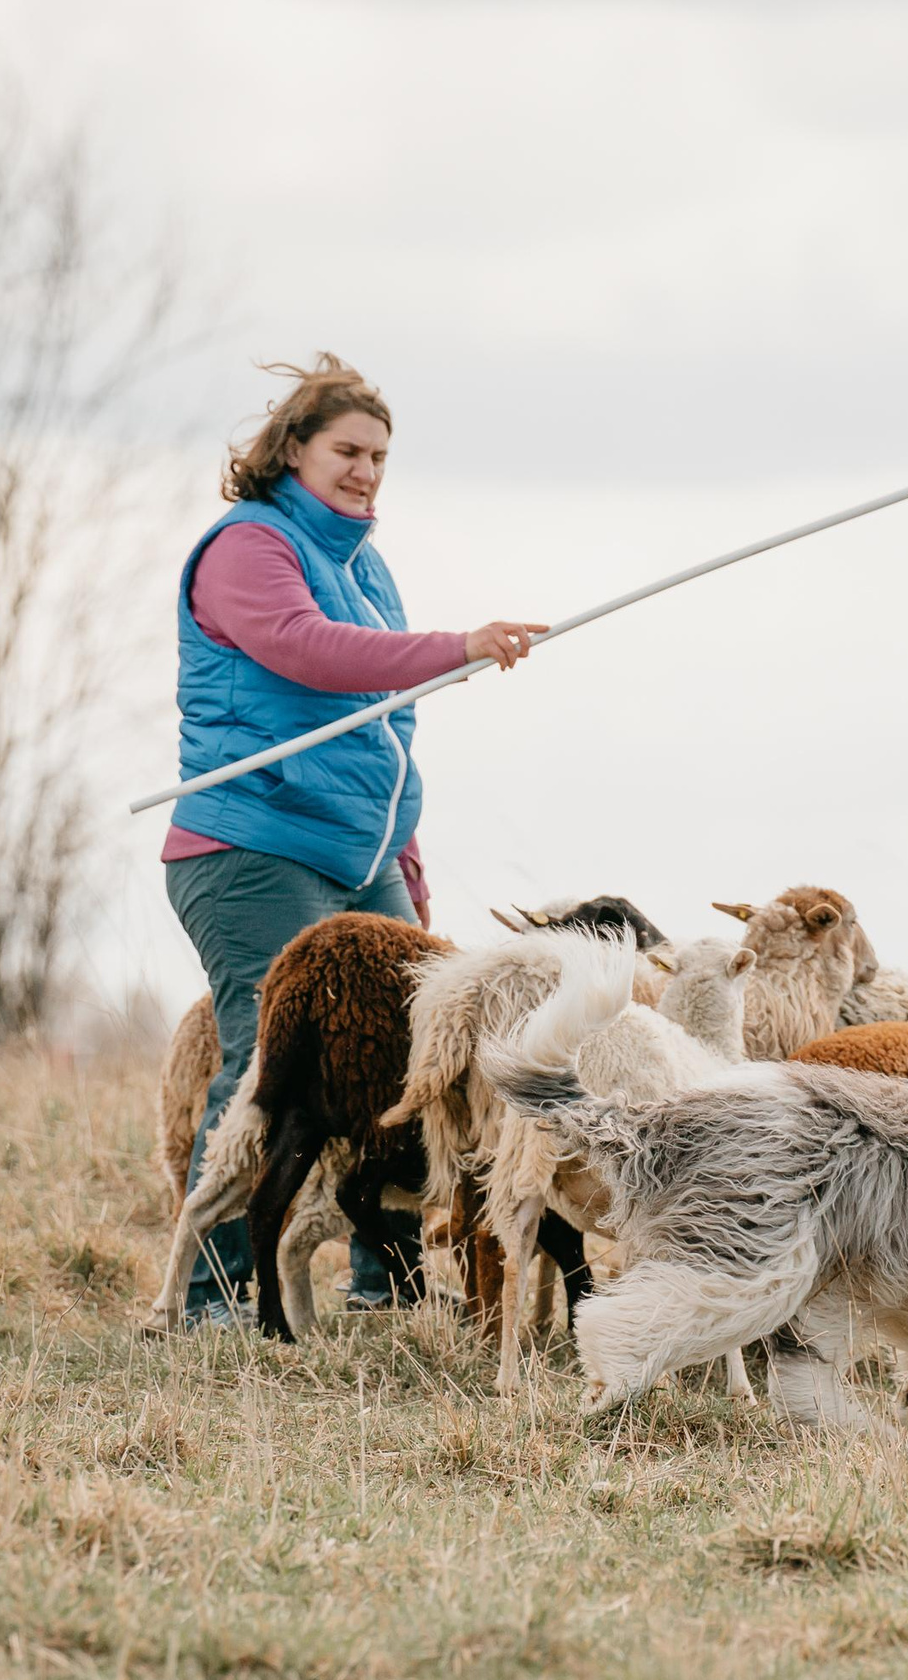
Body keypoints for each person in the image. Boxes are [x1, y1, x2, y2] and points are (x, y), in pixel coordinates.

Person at [164, 354, 545, 1327]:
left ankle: (389, 1285)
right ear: (293, 449)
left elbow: (390, 718)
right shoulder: (249, 545)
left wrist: (404, 863)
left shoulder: (364, 563)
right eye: (347, 450)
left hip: (362, 856)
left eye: (380, 455)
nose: (366, 470)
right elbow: (308, 650)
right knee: (268, 1059)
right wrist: (458, 646)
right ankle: (213, 1289)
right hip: (252, 847)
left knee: (415, 1063)